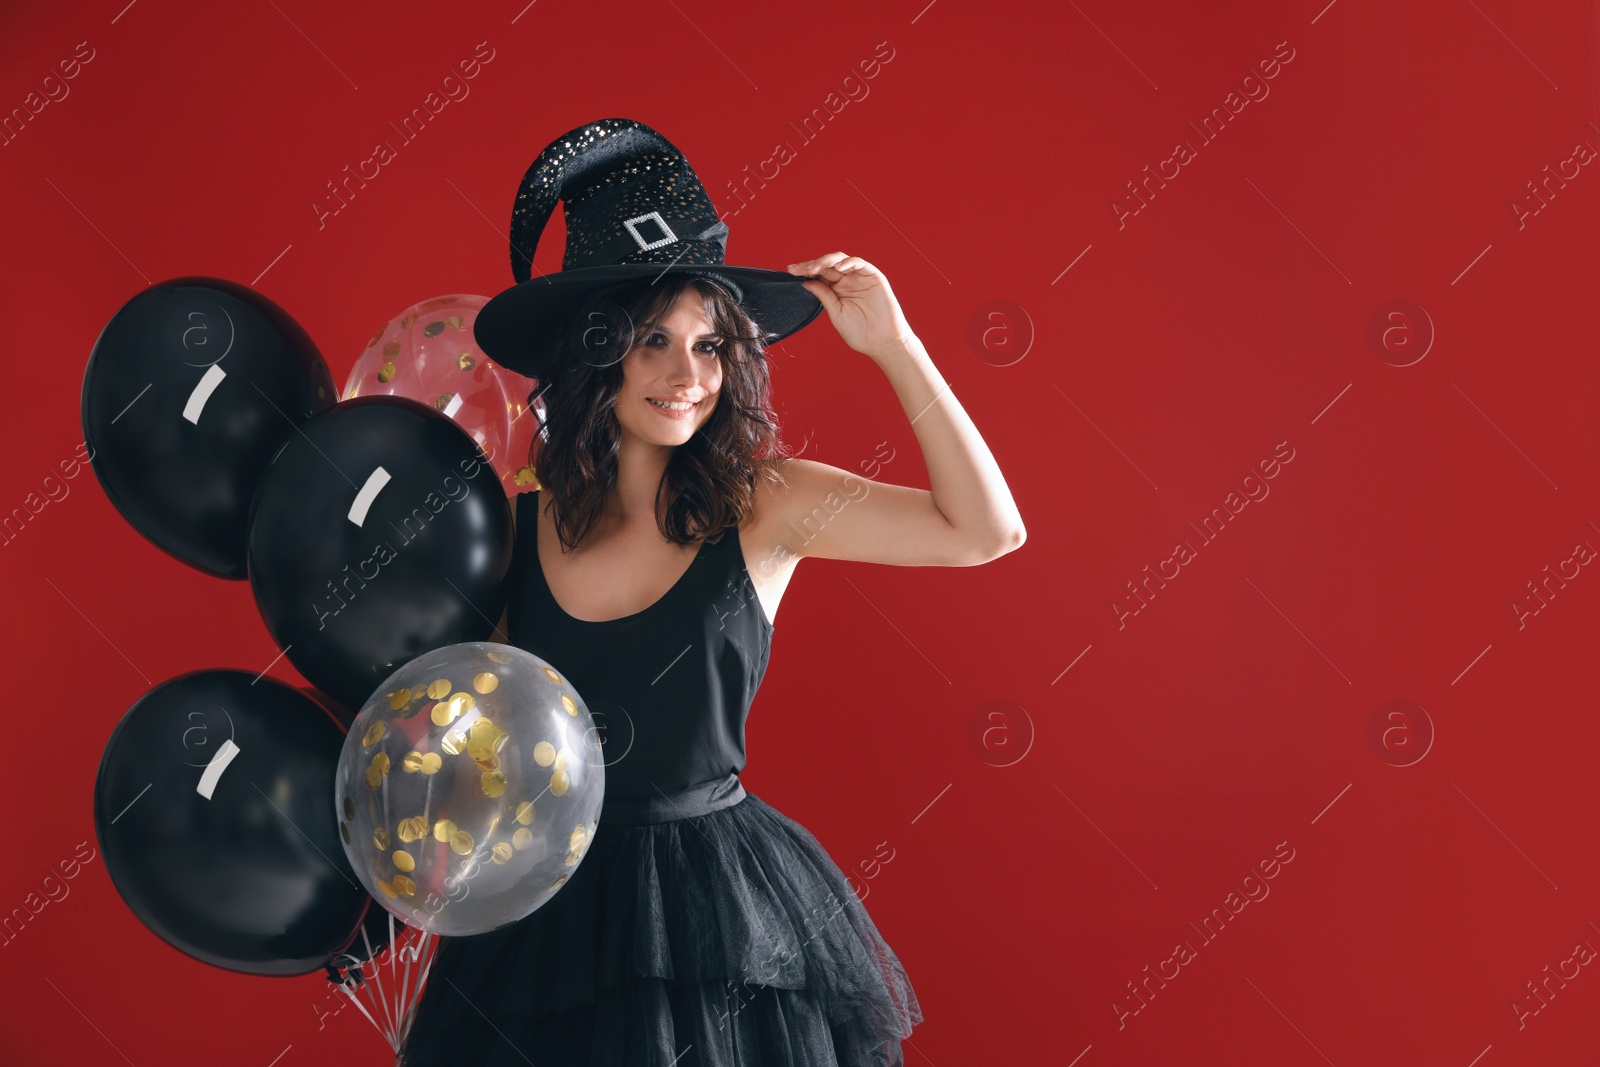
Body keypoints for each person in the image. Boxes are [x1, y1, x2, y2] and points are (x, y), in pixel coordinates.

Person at [397, 119, 1025, 1067]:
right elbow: (450, 740)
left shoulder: (766, 505)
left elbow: (985, 530)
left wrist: (894, 344)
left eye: (710, 345)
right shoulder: (515, 532)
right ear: (591, 350)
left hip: (720, 918)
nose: (686, 376)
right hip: (542, 923)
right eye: (653, 340)